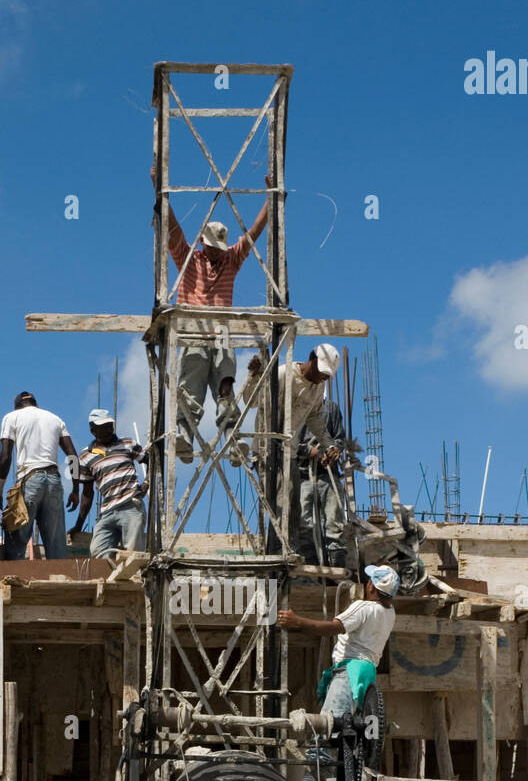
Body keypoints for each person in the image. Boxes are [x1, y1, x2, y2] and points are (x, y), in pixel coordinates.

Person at [153, 166, 270, 462]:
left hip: (221, 334)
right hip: (193, 332)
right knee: (189, 389)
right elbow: (174, 229)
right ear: (204, 243)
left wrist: (271, 199)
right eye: (212, 248)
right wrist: (159, 189)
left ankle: (232, 440)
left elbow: (254, 233)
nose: (217, 253)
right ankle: (183, 436)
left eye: (220, 248)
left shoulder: (231, 258)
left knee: (226, 383)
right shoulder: (191, 258)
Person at [242, 345, 343, 545]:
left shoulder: (319, 386)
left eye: (327, 375)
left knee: (293, 512)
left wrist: (329, 445)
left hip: (290, 453)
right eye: (322, 373)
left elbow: (314, 416)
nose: (324, 378)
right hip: (267, 451)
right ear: (312, 360)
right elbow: (251, 401)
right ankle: (277, 561)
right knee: (280, 508)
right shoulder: (282, 375)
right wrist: (253, 376)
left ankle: (289, 558)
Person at [277, 563, 399, 720]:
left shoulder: (363, 608)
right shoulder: (390, 613)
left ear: (371, 587)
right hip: (367, 673)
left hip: (350, 671)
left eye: (368, 580)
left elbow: (333, 628)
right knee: (348, 724)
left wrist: (297, 621)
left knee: (331, 724)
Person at [0, 392, 79, 560]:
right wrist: (76, 489)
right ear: (35, 403)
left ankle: (15, 581)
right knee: (56, 544)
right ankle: (59, 582)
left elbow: (5, 457)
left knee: (17, 539)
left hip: (30, 480)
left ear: (17, 405)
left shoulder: (12, 417)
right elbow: (73, 457)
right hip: (54, 481)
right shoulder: (55, 419)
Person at [73, 410, 148, 556]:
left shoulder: (127, 443)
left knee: (132, 552)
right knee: (98, 551)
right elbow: (87, 494)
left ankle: (135, 577)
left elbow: (152, 460)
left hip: (130, 505)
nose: (109, 429)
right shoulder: (85, 456)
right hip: (107, 511)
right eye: (104, 426)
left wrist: (147, 482)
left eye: (110, 425)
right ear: (93, 430)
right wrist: (79, 525)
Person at [297, 397, 347, 567]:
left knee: (335, 524)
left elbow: (339, 439)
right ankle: (311, 570)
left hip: (327, 475)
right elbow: (288, 441)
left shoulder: (331, 408)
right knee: (305, 526)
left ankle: (336, 570)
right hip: (303, 475)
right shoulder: (296, 407)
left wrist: (333, 451)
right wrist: (308, 450)